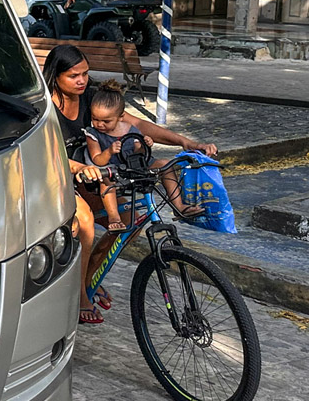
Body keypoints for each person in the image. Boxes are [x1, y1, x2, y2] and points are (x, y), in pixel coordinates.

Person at [44, 43, 218, 325]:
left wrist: (185, 141)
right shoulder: (46, 107)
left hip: (98, 178)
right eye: (73, 76)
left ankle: (86, 279)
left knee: (129, 221)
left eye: (85, 74)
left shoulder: (93, 98)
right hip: (58, 178)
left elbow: (135, 124)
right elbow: (47, 154)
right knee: (85, 222)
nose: (81, 81)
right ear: (56, 75)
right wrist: (82, 168)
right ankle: (80, 296)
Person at [84, 78, 204, 232]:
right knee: (107, 181)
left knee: (164, 164)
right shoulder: (93, 134)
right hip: (110, 169)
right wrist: (108, 151)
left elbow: (137, 154)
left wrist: (144, 145)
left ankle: (178, 205)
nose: (100, 124)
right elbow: (97, 160)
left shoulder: (130, 129)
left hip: (131, 167)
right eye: (95, 119)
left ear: (121, 116)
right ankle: (114, 217)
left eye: (106, 121)